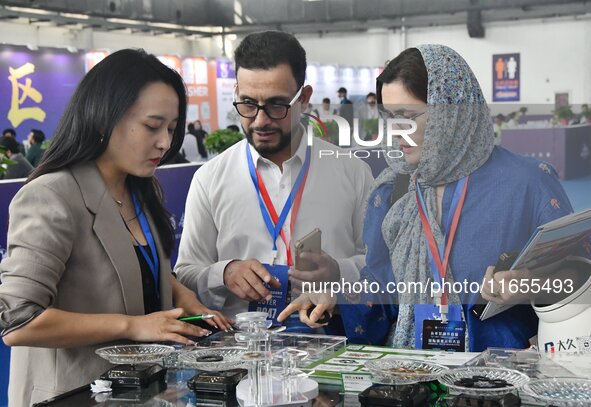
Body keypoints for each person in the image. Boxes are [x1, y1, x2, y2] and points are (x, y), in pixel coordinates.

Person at [281, 45, 585, 352]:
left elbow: (578, 274)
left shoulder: (527, 183)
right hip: (409, 378)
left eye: (408, 116)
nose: (397, 131)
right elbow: (381, 292)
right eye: (390, 116)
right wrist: (336, 298)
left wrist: (529, 283)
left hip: (499, 383)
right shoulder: (393, 191)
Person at [0, 49, 231, 407]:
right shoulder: (51, 196)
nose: (165, 143)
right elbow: (19, 322)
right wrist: (133, 326)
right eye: (153, 127)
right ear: (103, 118)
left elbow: (135, 264)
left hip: (143, 390)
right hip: (73, 395)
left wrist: (183, 299)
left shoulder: (140, 188)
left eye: (171, 129)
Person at [175, 31, 373, 325]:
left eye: (277, 106)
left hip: (333, 343)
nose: (260, 120)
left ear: (304, 99)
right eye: (247, 104)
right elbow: (186, 274)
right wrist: (225, 272)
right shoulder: (210, 178)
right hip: (241, 350)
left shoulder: (352, 172)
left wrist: (338, 272)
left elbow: (382, 267)